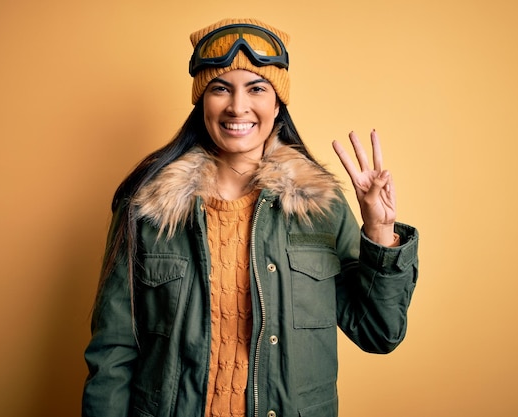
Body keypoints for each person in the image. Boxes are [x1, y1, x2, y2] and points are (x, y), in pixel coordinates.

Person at [82, 17, 419, 417]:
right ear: (200, 102)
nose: (237, 106)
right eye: (220, 88)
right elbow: (113, 352)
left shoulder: (319, 207)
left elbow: (379, 333)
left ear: (278, 105)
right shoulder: (149, 208)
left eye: (257, 89)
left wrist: (380, 234)